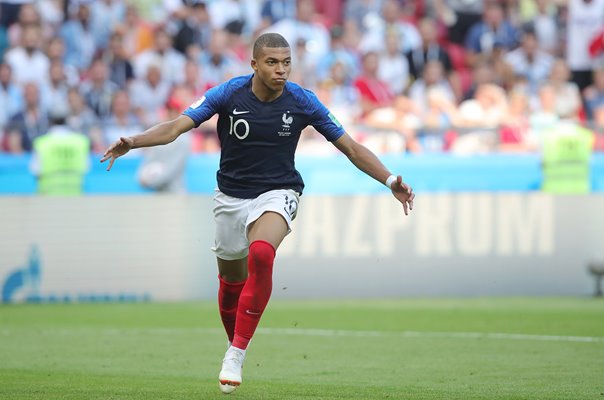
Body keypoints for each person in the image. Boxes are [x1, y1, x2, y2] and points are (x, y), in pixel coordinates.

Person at [100, 32, 415, 394]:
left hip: (278, 192)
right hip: (230, 198)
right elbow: (175, 128)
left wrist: (389, 179)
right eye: (271, 62)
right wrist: (133, 142)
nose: (280, 70)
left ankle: (236, 353)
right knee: (231, 285)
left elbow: (352, 148)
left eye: (286, 63)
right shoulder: (227, 94)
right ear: (254, 64)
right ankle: (234, 342)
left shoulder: (303, 101)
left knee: (262, 254)